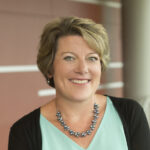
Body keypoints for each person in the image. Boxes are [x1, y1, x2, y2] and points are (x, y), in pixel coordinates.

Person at [8, 16, 150, 150]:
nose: (82, 69)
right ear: (50, 68)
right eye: (69, 58)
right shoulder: (24, 132)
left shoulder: (129, 114)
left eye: (92, 58)